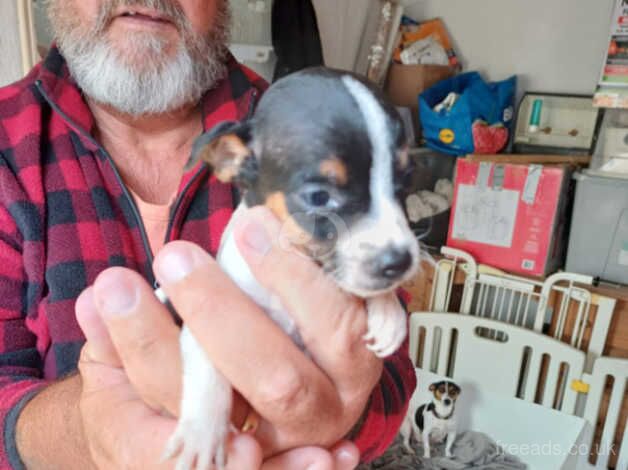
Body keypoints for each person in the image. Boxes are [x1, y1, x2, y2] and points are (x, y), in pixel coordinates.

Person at [0, 0, 416, 468]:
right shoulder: (8, 146)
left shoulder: (313, 114)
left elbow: (393, 376)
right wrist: (85, 434)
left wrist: (341, 412)